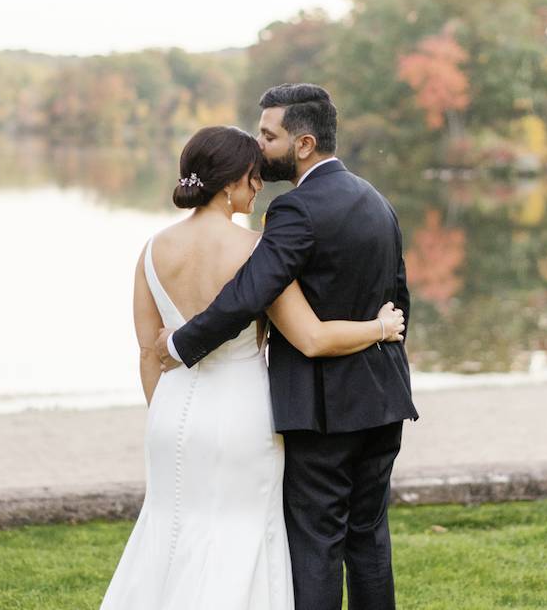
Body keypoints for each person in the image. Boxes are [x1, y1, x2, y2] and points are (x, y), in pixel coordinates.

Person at [100, 124, 406, 610]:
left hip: (172, 414)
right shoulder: (255, 251)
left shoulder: (153, 248)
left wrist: (168, 411)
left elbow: (146, 351)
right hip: (242, 415)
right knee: (238, 538)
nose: (259, 185)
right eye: (252, 177)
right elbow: (311, 337)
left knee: (170, 531)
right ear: (229, 183)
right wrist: (380, 328)